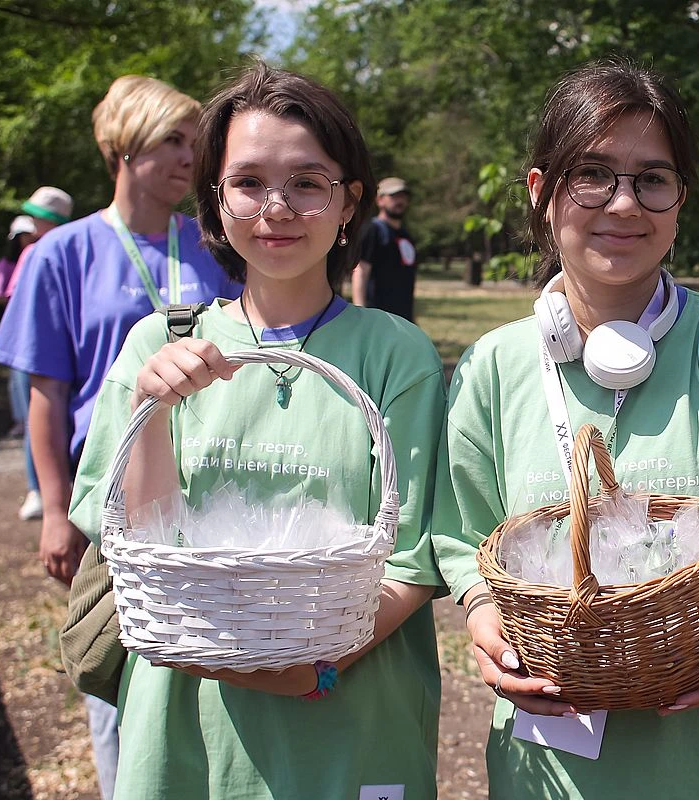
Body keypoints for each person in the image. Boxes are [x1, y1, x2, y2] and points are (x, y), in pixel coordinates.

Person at [431, 59, 699, 799]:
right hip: (548, 772)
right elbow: (460, 539)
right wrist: (481, 618)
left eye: (651, 179)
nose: (623, 206)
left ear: (680, 200)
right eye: (591, 175)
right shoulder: (492, 369)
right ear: (542, 191)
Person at [67, 61, 445, 799]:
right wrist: (154, 414)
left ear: (348, 205)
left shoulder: (396, 354)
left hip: (350, 716)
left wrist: (315, 663)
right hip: (190, 716)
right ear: (215, 203)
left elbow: (414, 557)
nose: (277, 208)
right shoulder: (155, 346)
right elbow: (134, 544)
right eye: (248, 183)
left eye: (308, 183)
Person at [0, 75, 240, 800]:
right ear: (122, 148)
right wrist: (57, 510)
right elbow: (46, 394)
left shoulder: (215, 245)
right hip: (113, 498)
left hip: (214, 490)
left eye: (196, 142)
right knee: (118, 664)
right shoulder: (60, 255)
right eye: (171, 140)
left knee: (211, 666)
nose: (190, 156)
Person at [0, 187, 76, 521]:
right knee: (35, 416)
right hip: (33, 345)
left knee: (48, 415)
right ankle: (38, 488)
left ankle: (49, 488)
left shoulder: (56, 249)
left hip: (51, 345)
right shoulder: (39, 250)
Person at [351, 176, 418, 320]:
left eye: (403, 196)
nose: (400, 201)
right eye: (394, 196)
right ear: (379, 200)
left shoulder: (406, 236)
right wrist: (360, 314)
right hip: (377, 316)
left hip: (403, 317)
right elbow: (360, 272)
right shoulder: (373, 230)